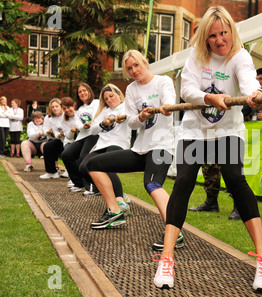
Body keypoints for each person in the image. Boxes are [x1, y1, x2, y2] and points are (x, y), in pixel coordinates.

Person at [153, 6, 262, 292]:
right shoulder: (196, 58)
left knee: (234, 178)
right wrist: (209, 97)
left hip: (227, 130)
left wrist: (254, 95)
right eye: (213, 36)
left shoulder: (240, 57)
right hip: (195, 131)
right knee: (182, 181)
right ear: (205, 39)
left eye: (224, 33)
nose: (220, 40)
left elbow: (248, 82)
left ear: (232, 31)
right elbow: (187, 91)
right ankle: (167, 259)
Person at [85, 49, 180, 253]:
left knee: (152, 183)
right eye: (129, 68)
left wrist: (166, 106)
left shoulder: (163, 81)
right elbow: (131, 123)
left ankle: (175, 232)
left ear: (145, 62)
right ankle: (115, 212)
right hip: (139, 150)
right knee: (93, 164)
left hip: (161, 146)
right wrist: (142, 117)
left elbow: (170, 102)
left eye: (136, 65)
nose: (134, 70)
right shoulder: (131, 89)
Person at [79, 83, 131, 200]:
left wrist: (123, 118)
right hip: (102, 145)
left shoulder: (126, 106)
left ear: (118, 94)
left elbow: (133, 120)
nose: (109, 100)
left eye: (111, 96)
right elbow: (93, 130)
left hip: (118, 143)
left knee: (107, 166)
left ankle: (119, 199)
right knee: (84, 167)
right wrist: (103, 123)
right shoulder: (104, 111)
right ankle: (113, 193)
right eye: (106, 99)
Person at [61, 83, 99, 193]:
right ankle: (79, 183)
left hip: (94, 134)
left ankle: (92, 187)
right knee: (66, 155)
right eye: (80, 92)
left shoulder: (96, 103)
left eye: (84, 90)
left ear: (89, 91)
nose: (82, 93)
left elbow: (99, 116)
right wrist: (83, 126)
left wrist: (92, 123)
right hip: (83, 135)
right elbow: (77, 124)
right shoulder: (79, 108)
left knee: (83, 157)